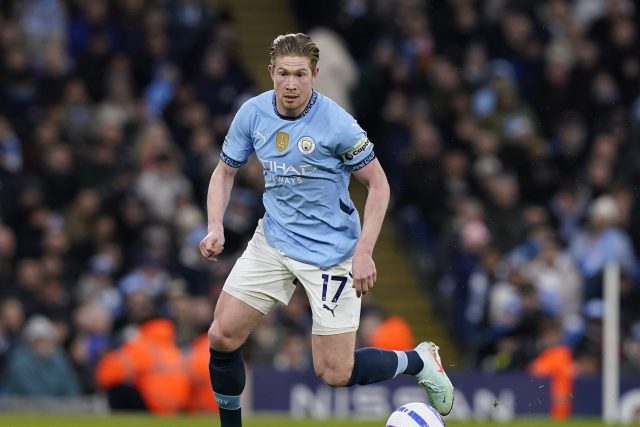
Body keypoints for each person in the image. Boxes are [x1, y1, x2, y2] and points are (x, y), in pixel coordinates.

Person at [199, 33, 454, 427]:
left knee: (334, 373)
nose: (291, 84)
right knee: (221, 335)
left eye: (300, 74)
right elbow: (224, 172)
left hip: (331, 255)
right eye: (283, 73)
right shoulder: (251, 113)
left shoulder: (338, 124)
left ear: (315, 75)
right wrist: (215, 225)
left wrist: (365, 251)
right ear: (271, 73)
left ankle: (418, 360)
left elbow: (379, 185)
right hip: (274, 241)